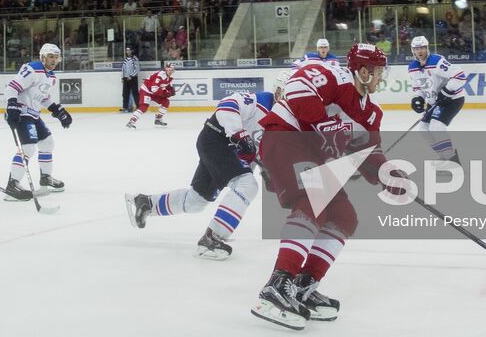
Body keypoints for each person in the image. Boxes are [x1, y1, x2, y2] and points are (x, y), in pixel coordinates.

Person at [252, 43, 401, 328]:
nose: (382, 77)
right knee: (314, 197)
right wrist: (322, 123)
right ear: (362, 71)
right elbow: (296, 88)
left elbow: (368, 152)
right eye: (379, 71)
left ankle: (302, 285)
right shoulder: (333, 75)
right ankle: (278, 283)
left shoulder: (370, 112)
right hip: (285, 137)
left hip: (311, 155)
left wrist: (387, 174)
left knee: (345, 216)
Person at [125, 89, 278, 259]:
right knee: (247, 185)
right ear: (279, 90)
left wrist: (269, 169)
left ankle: (147, 203)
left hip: (228, 151)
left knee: (196, 201)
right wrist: (238, 133)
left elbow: (261, 149)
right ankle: (212, 238)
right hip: (217, 140)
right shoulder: (262, 100)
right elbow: (227, 105)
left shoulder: (288, 120)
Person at [3, 42, 71, 200]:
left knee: (47, 142)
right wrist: (12, 105)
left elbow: (44, 98)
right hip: (21, 113)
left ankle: (45, 177)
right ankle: (12, 186)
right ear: (43, 57)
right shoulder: (33, 68)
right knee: (27, 148)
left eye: (56, 57)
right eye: (50, 57)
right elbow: (12, 87)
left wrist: (57, 110)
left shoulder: (51, 77)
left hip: (33, 114)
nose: (53, 60)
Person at [406, 35, 466, 162]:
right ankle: (446, 156)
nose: (420, 51)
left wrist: (447, 91)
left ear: (427, 48)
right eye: (417, 49)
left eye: (422, 48)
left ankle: (453, 160)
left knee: (436, 127)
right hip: (435, 102)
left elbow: (460, 76)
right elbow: (418, 87)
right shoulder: (412, 67)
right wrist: (418, 98)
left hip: (452, 99)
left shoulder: (437, 61)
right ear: (412, 50)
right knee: (423, 129)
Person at [127, 60, 176, 129]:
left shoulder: (169, 77)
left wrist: (171, 90)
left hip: (153, 91)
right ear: (166, 69)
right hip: (146, 90)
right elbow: (154, 89)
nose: (171, 72)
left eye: (172, 70)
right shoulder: (160, 75)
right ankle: (131, 121)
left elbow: (167, 86)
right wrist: (166, 93)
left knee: (166, 102)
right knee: (144, 107)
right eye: (169, 70)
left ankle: (158, 119)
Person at [120, 46, 140, 113]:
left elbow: (137, 69)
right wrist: (122, 77)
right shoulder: (125, 59)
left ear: (132, 51)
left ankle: (138, 106)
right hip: (126, 78)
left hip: (133, 78)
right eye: (127, 50)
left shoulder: (135, 59)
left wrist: (131, 76)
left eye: (129, 50)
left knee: (135, 92)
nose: (128, 51)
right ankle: (125, 107)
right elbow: (123, 69)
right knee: (125, 93)